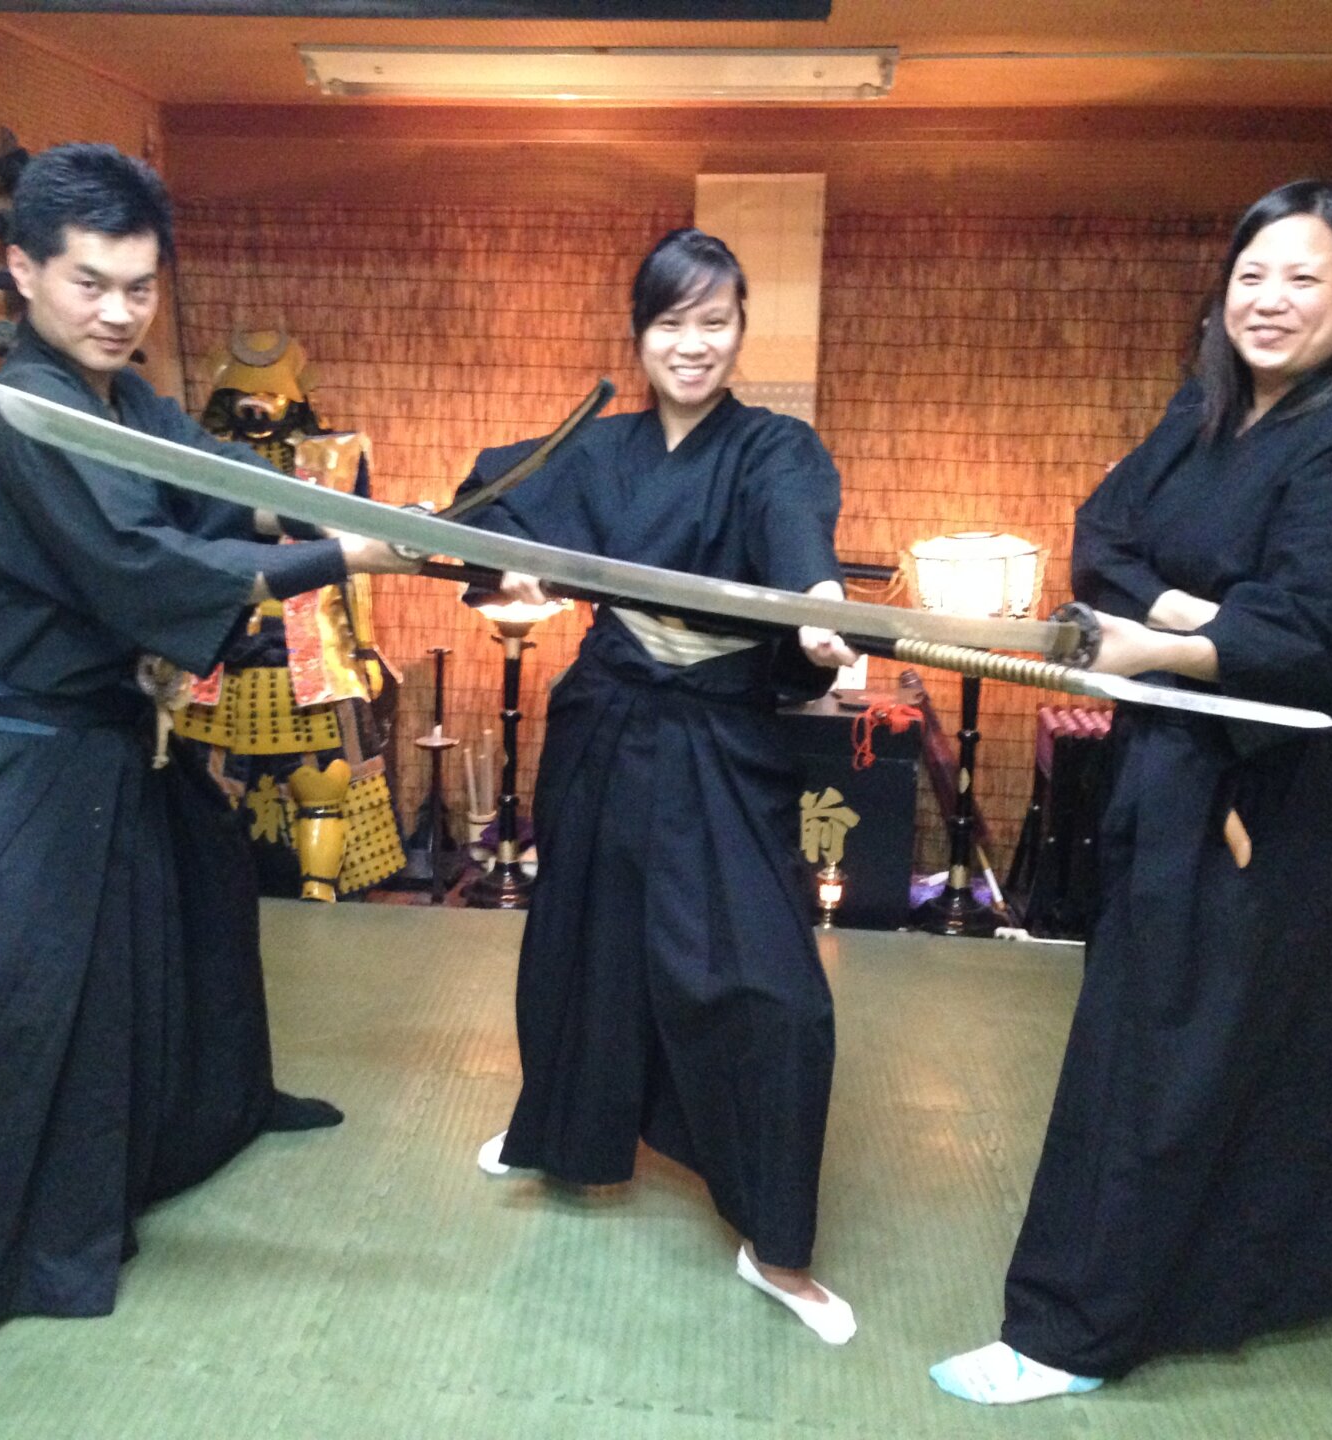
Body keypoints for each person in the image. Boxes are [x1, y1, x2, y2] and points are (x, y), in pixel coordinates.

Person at [0, 143, 414, 1440]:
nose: (119, 311)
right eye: (91, 283)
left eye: (139, 286)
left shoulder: (124, 399)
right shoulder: (29, 417)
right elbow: (141, 564)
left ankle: (222, 1110)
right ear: (24, 270)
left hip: (119, 743)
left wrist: (339, 512)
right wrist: (344, 553)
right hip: (28, 756)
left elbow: (214, 489)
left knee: (202, 918)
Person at [932, 179, 1332, 1405]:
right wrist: (1185, 616)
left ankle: (1070, 1330)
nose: (1271, 300)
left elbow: (1324, 632)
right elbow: (1102, 536)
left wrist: (1169, 643)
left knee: (1160, 1039)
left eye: (1304, 278)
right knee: (1286, 1015)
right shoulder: (1195, 418)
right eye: (1253, 274)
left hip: (1274, 789)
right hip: (1174, 759)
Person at [463, 228, 861, 1344]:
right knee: (585, 944)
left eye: (715, 322)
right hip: (608, 722)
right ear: (640, 335)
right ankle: (561, 1131)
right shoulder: (601, 449)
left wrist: (817, 602)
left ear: (741, 331)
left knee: (774, 988)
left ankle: (776, 1243)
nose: (694, 344)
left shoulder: (774, 448)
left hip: (719, 738)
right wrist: (511, 564)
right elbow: (494, 494)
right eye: (672, 322)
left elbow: (795, 530)